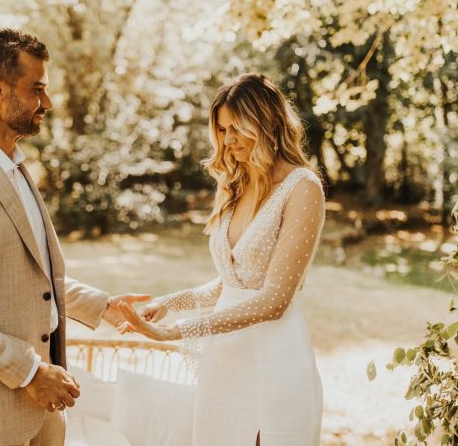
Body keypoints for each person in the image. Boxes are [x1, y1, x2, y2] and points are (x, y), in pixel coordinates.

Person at [0, 28, 148, 446]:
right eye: (36, 89)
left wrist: (102, 306)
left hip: (42, 413)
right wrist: (31, 372)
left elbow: (24, 276)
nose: (47, 103)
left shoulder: (13, 165)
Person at [117, 73, 325, 446]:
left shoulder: (302, 189)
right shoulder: (235, 184)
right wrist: (169, 304)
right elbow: (232, 283)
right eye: (223, 130)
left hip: (273, 363)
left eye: (237, 129)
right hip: (226, 364)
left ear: (266, 123)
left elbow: (274, 300)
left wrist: (179, 331)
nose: (228, 142)